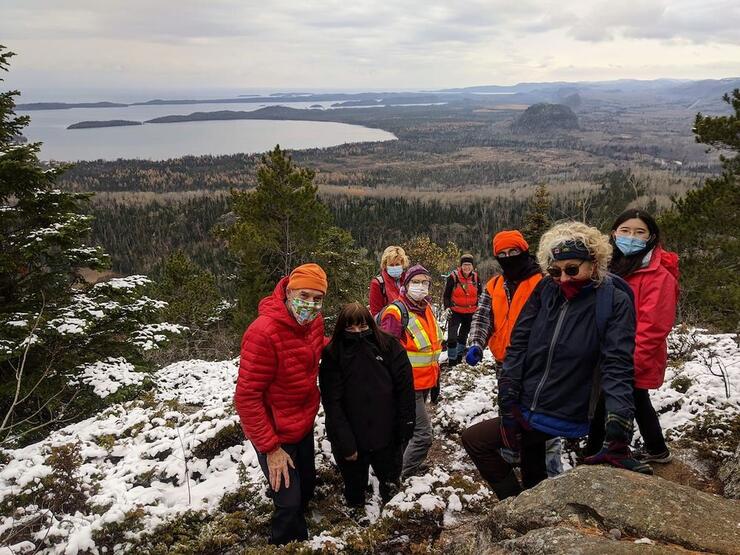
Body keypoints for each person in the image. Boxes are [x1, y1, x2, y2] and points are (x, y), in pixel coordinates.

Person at [462, 222, 650, 501]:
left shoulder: (613, 300)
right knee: (518, 462)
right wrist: (508, 397)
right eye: (554, 270)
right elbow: (520, 344)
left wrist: (618, 424)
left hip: (572, 407)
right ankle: (522, 508)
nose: (562, 278)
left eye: (572, 269)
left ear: (594, 263)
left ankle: (523, 505)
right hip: (530, 403)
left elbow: (617, 365)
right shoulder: (545, 290)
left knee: (481, 442)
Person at [234, 263, 328, 545]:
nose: (309, 304)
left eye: (317, 298)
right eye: (303, 295)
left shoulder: (313, 322)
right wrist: (271, 448)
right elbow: (246, 396)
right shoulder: (262, 333)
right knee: (288, 503)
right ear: (288, 293)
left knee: (307, 486)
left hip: (301, 420)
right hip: (274, 431)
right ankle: (287, 544)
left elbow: (312, 345)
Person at [465, 230, 563, 478]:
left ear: (524, 251)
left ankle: (552, 469)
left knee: (542, 415)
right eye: (502, 254)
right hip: (504, 362)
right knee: (508, 407)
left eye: (513, 252)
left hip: (537, 364)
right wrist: (476, 343)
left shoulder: (543, 281)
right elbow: (483, 316)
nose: (508, 257)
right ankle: (512, 452)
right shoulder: (494, 285)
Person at [586, 209, 679, 463]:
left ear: (651, 237)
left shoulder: (659, 276)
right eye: (625, 231)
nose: (631, 237)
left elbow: (653, 328)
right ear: (614, 233)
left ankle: (594, 452)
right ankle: (657, 449)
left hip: (633, 354)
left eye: (640, 232)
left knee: (614, 397)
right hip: (609, 350)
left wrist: (625, 362)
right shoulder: (610, 265)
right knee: (636, 399)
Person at [319, 303, 416, 509]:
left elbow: (405, 388)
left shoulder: (388, 345)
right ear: (341, 328)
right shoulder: (333, 353)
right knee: (354, 485)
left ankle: (391, 517)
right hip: (352, 434)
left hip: (386, 432)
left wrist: (406, 424)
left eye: (362, 327)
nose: (357, 333)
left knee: (390, 482)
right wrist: (345, 442)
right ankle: (357, 515)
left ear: (370, 325)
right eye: (350, 328)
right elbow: (332, 402)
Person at [378, 265, 442, 478]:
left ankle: (401, 466)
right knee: (423, 435)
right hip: (407, 387)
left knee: (408, 431)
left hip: (425, 383)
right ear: (405, 285)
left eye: (425, 282)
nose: (421, 286)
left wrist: (436, 382)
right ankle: (401, 476)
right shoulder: (395, 312)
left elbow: (432, 348)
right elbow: (386, 352)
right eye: (416, 282)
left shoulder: (427, 308)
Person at [442, 253, 480, 367]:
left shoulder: (476, 277)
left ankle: (458, 357)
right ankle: (452, 360)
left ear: (472, 266)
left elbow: (480, 294)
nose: (467, 267)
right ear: (461, 266)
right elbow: (446, 295)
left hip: (470, 312)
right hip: (455, 311)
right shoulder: (453, 277)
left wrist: (479, 309)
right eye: (464, 265)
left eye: (469, 265)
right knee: (452, 337)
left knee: (463, 336)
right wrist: (447, 307)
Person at [369, 245, 410, 317]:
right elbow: (375, 313)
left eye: (397, 264)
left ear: (402, 264)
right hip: (388, 324)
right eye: (391, 265)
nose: (394, 267)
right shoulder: (378, 283)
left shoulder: (408, 281)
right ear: (385, 265)